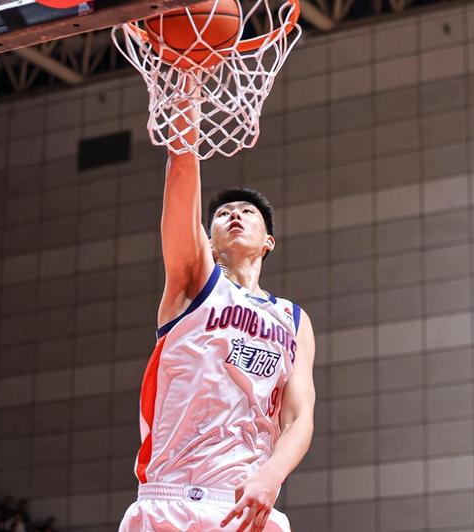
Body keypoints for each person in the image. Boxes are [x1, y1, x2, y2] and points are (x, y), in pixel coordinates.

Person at [119, 86, 316, 532]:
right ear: (207, 241)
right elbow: (182, 169)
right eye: (224, 214)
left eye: (248, 212)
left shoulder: (294, 320)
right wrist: (188, 96)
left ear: (268, 242)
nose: (235, 215)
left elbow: (299, 417)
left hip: (247, 503)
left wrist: (272, 475)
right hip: (172, 501)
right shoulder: (194, 282)